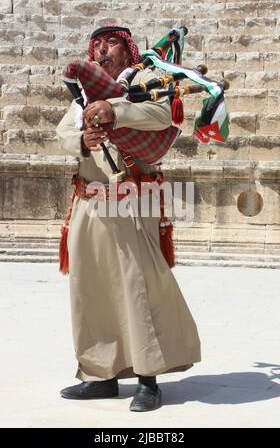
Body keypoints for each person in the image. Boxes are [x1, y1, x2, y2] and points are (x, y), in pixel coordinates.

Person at [56, 24, 201, 412]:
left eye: (112, 42)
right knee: (91, 288)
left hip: (133, 201)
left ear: (128, 49)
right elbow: (62, 132)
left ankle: (148, 379)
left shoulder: (147, 79)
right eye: (98, 44)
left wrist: (113, 109)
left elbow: (160, 115)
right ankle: (99, 375)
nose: (104, 49)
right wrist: (80, 141)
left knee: (137, 287)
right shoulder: (83, 95)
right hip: (88, 203)